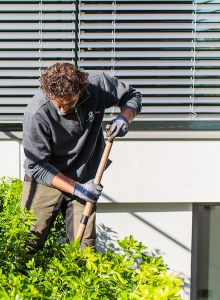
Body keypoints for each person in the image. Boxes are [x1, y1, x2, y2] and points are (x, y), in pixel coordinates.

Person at [21, 62, 142, 251]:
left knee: (84, 249)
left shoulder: (98, 85)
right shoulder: (36, 113)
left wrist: (125, 117)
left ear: (81, 89)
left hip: (83, 175)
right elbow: (37, 166)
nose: (62, 110)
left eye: (68, 103)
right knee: (28, 243)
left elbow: (132, 96)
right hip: (45, 179)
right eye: (57, 103)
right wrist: (76, 188)